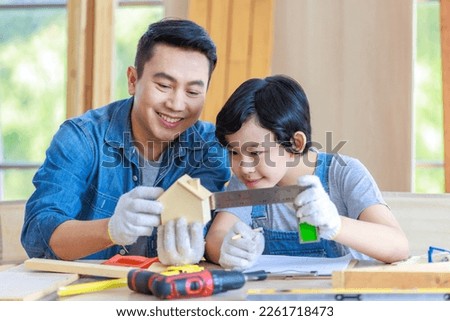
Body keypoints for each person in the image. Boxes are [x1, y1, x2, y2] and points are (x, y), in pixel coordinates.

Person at [21, 18, 230, 264]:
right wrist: (109, 230)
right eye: (164, 85)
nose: (176, 104)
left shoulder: (210, 148)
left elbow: (212, 228)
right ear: (133, 80)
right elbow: (37, 235)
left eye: (193, 92)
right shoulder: (81, 138)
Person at [205, 75, 409, 270]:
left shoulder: (343, 173)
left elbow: (398, 246)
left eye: (255, 152)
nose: (244, 167)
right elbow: (216, 236)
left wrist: (337, 225)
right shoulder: (247, 182)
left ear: (296, 143)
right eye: (234, 152)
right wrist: (228, 247)